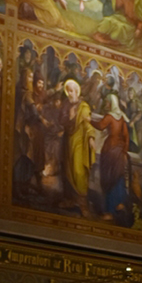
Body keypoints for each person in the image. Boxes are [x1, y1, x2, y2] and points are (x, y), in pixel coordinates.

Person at [92, 92, 131, 220]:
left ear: (111, 103)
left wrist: (89, 120)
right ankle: (119, 204)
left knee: (109, 177)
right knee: (118, 175)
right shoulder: (121, 118)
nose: (106, 105)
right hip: (119, 151)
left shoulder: (109, 117)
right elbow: (126, 136)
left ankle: (110, 210)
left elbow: (100, 126)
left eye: (107, 103)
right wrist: (124, 151)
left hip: (110, 151)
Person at [60, 77, 94, 213]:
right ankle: (71, 200)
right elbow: (61, 121)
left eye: (72, 91)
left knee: (79, 171)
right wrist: (68, 117)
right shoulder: (66, 106)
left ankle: (82, 203)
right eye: (68, 91)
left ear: (77, 92)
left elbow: (87, 124)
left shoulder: (83, 107)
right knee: (67, 171)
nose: (69, 94)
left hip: (79, 143)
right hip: (67, 141)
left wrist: (91, 138)